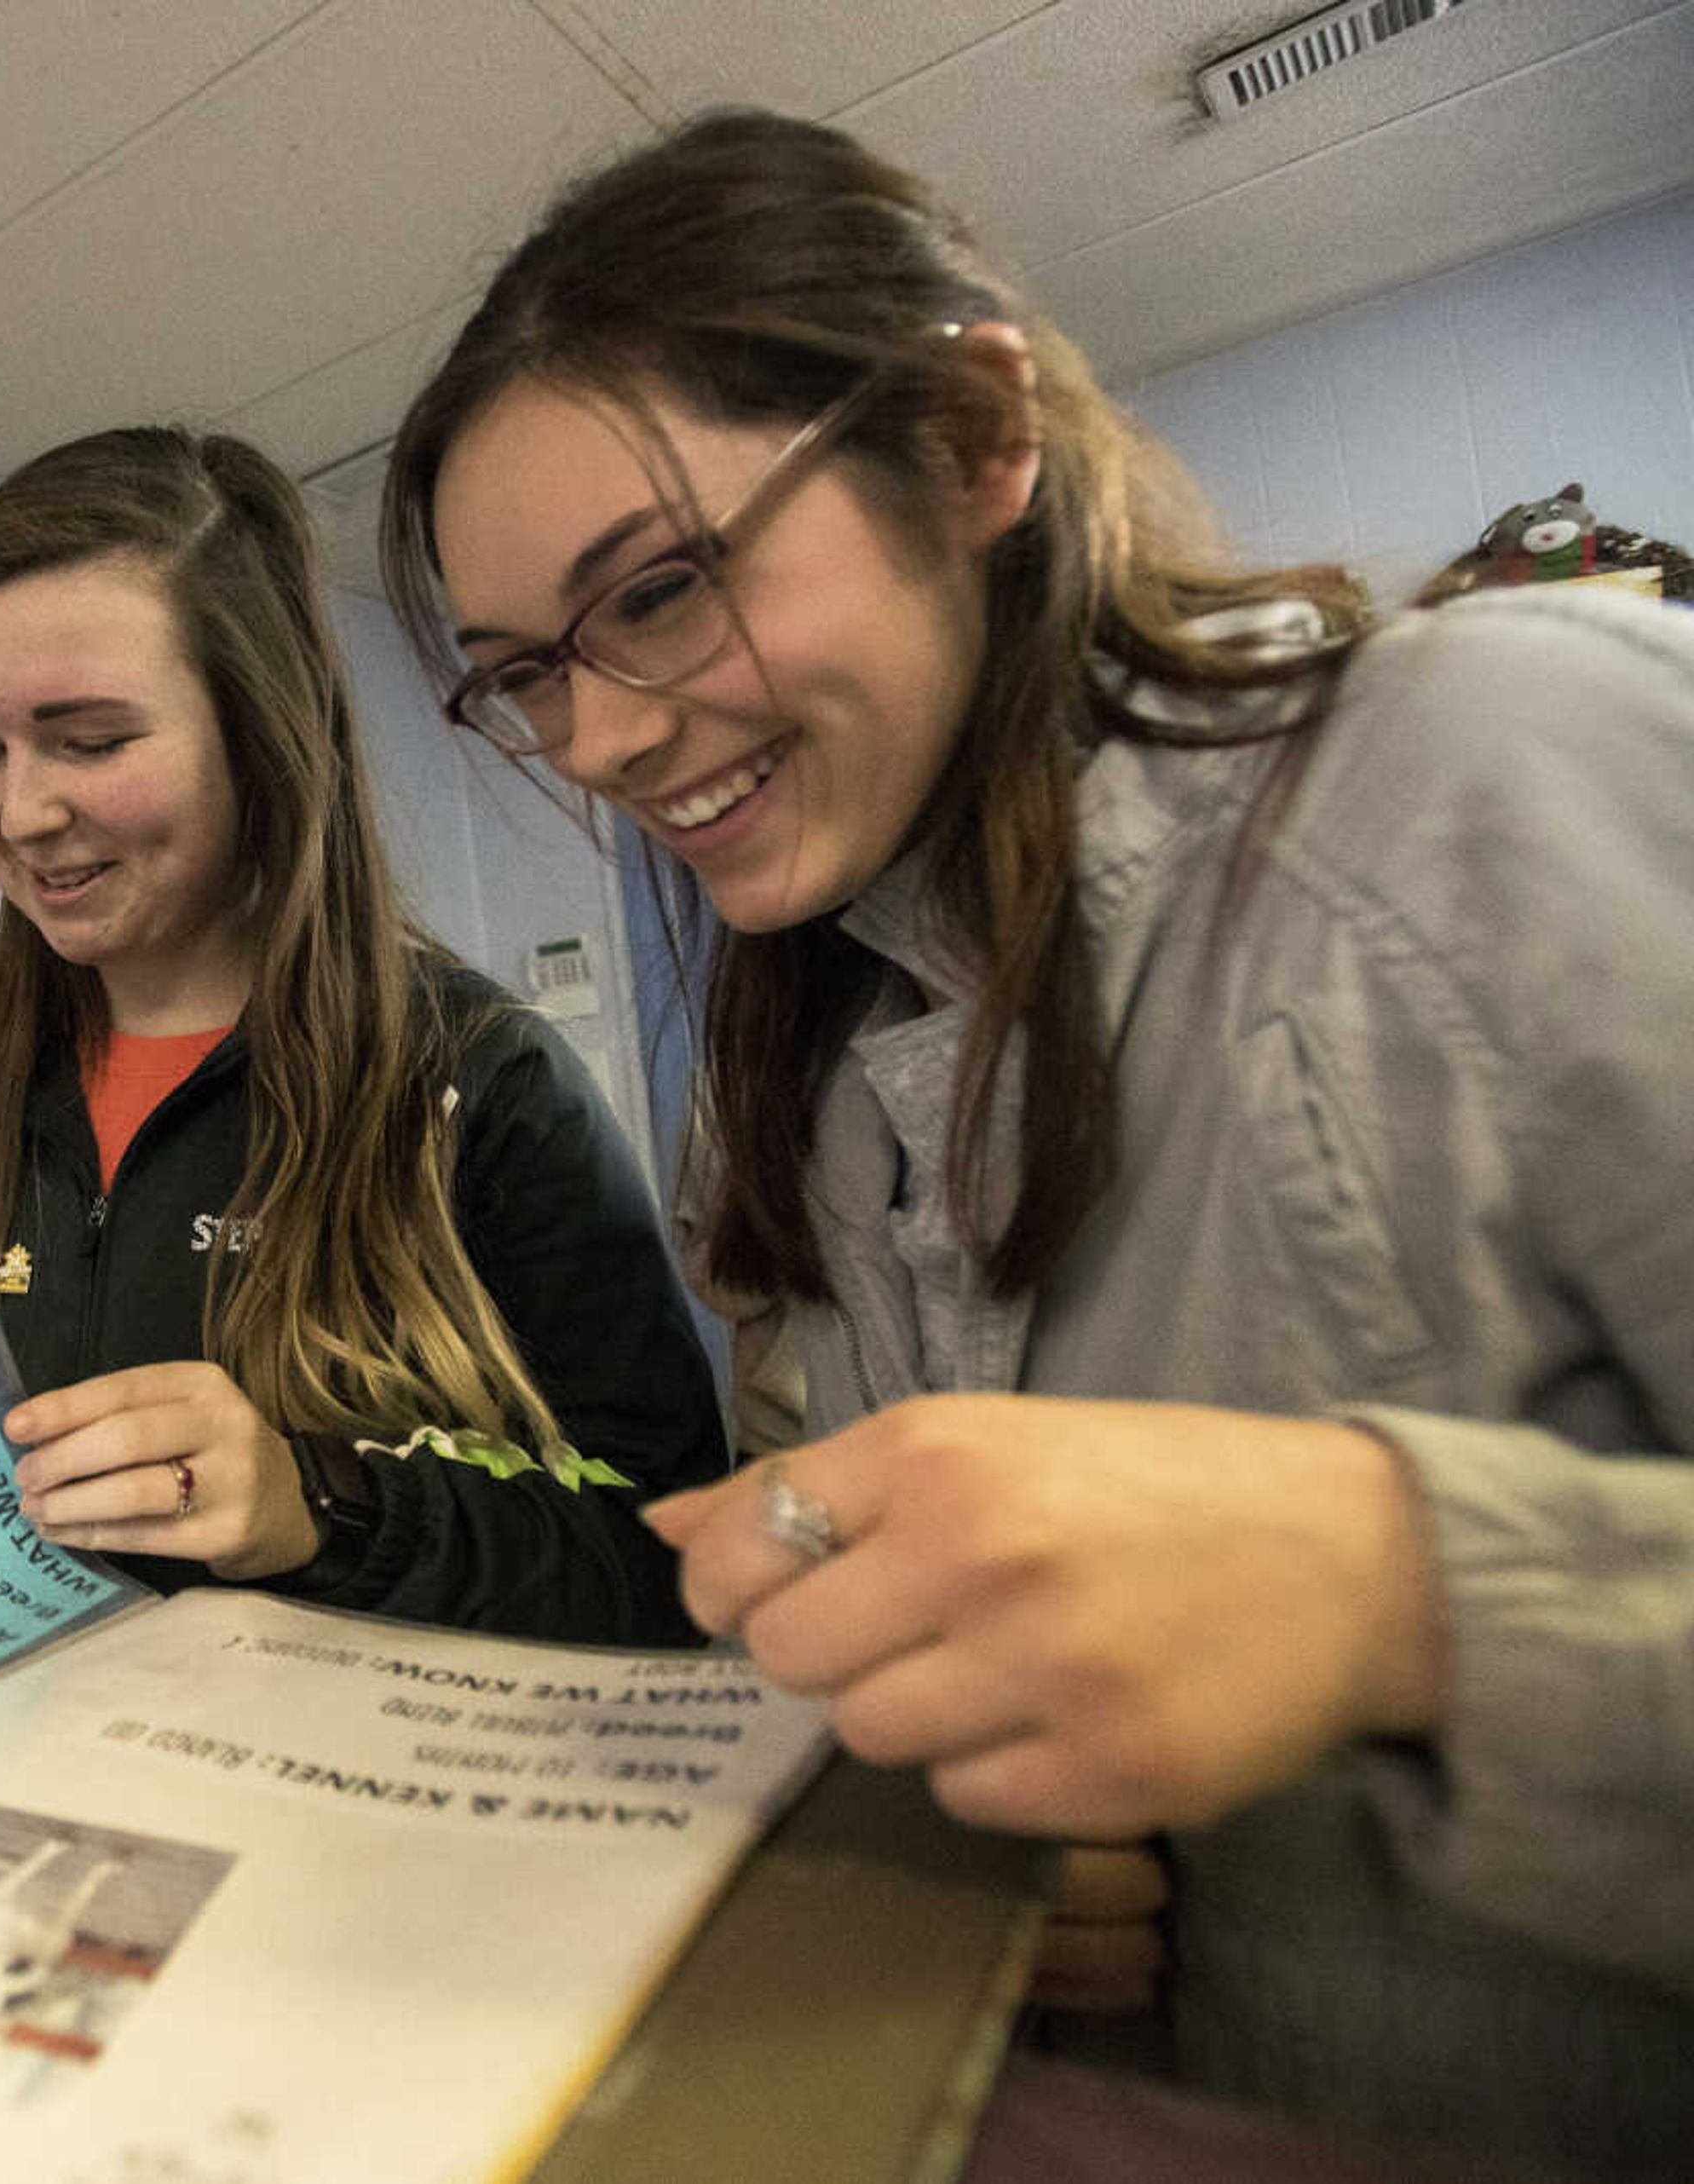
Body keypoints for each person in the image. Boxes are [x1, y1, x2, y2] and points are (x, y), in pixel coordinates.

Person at [379, 108, 1694, 2173]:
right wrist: (973, 1823)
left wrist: (1398, 1588)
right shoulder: (845, 1083)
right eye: (528, 679)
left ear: (977, 440)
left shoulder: (1511, 763)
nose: (605, 739)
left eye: (659, 592)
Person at [0, 424, 724, 1645]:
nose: (21, 811)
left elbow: (674, 1563)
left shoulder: (479, 1084)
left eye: (92, 742)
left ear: (262, 733)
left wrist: (320, 1506)